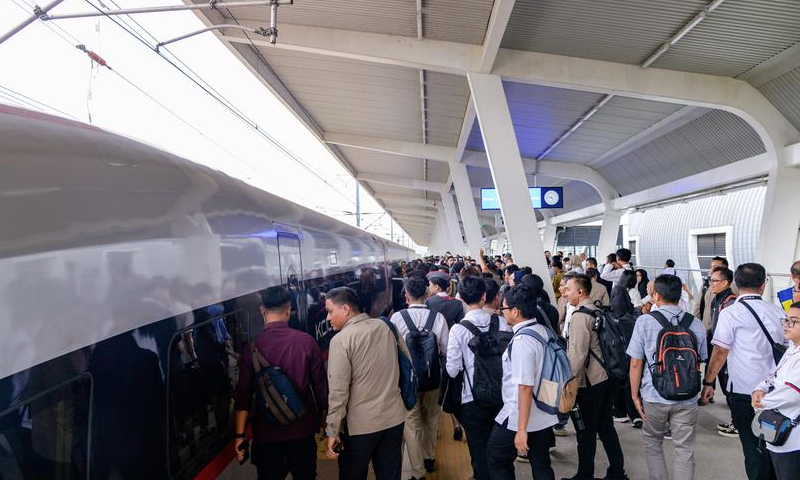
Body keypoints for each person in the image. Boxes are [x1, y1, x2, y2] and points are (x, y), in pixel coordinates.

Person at [702, 263, 787, 480]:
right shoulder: (778, 312)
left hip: (743, 391)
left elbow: (720, 352)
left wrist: (708, 382)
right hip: (776, 392)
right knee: (775, 444)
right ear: (762, 285)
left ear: (737, 284)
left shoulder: (730, 314)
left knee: (752, 448)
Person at [234, 286, 329, 480]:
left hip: (266, 434)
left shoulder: (251, 348)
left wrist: (239, 436)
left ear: (262, 310)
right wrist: (326, 423)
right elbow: (321, 390)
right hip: (302, 430)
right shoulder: (306, 342)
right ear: (288, 309)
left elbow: (243, 395)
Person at [627, 275, 708, 480]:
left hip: (654, 394)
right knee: (685, 448)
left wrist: (635, 395)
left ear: (656, 295)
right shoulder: (695, 323)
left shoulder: (645, 321)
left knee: (653, 442)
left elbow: (636, 363)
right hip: (688, 396)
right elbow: (701, 359)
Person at [325, 287, 409, 480]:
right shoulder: (387, 327)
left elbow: (338, 392)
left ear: (345, 309)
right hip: (394, 419)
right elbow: (407, 363)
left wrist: (333, 430)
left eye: (330, 311)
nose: (329, 318)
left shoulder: (341, 341)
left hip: (360, 428)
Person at [486, 284, 559, 480]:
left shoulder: (522, 342)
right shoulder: (543, 331)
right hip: (545, 411)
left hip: (520, 415)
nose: (503, 313)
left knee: (495, 459)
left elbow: (525, 388)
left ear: (515, 311)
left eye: (504, 309)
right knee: (541, 464)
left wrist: (521, 430)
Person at [446, 276, 512, 480]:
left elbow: (452, 370)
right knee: (502, 452)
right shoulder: (502, 322)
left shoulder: (458, 330)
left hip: (473, 399)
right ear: (485, 297)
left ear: (461, 299)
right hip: (504, 397)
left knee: (479, 449)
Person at [563, 275, 628, 480]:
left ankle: (584, 475)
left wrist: (567, 383)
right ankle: (617, 472)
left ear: (580, 292)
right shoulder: (599, 310)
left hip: (591, 382)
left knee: (586, 431)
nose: (565, 293)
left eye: (568, 289)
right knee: (606, 426)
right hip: (608, 377)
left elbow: (577, 355)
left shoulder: (581, 316)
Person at [390, 277, 449, 480]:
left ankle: (418, 471)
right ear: (426, 295)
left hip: (407, 381)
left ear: (406, 295)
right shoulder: (438, 318)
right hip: (433, 378)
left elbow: (392, 351)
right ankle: (429, 458)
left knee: (412, 423)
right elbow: (445, 350)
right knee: (431, 419)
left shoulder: (397, 318)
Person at [751, 302, 800, 480]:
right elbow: (775, 376)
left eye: (793, 321)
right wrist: (759, 388)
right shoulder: (793, 348)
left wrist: (762, 402)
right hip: (779, 432)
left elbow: (792, 392)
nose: (786, 325)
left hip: (794, 439)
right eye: (786, 320)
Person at [707, 266, 738, 436]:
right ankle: (736, 421)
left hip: (726, 352)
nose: (711, 283)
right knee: (727, 389)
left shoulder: (730, 302)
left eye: (714, 280)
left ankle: (738, 423)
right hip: (718, 348)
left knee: (729, 389)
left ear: (726, 282)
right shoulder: (717, 299)